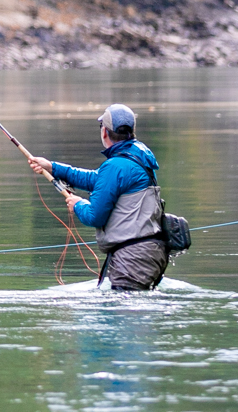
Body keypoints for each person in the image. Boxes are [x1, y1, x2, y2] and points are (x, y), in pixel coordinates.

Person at [27, 102, 169, 290]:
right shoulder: (138, 157)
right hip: (151, 253)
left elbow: (95, 216)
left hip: (132, 258)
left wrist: (78, 204)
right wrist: (52, 167)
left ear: (104, 132)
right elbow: (99, 180)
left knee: (124, 311)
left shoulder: (116, 166)